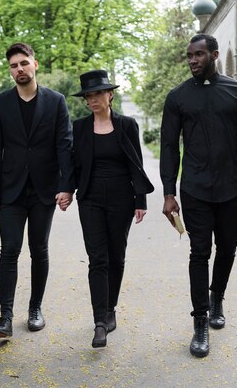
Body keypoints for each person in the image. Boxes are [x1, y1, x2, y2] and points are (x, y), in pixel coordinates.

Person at [160, 34, 237, 358]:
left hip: (230, 187)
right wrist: (168, 192)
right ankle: (200, 322)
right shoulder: (177, 97)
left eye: (199, 55)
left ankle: (217, 294)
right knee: (199, 252)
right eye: (189, 56)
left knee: (228, 249)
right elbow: (168, 147)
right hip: (194, 188)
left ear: (215, 55)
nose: (192, 60)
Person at [0, 42, 75, 338]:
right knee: (9, 250)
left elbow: (64, 145)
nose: (19, 69)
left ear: (35, 64)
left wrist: (66, 186)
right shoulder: (0, 103)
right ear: (10, 70)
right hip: (10, 191)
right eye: (13, 65)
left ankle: (35, 309)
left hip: (43, 190)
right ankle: (5, 318)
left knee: (39, 249)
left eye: (24, 63)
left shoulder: (56, 101)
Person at [72, 70, 154, 348]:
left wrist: (140, 200)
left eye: (98, 94)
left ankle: (110, 309)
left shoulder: (127, 125)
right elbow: (74, 165)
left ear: (110, 95)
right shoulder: (80, 127)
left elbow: (136, 163)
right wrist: (65, 190)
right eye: (88, 96)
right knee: (97, 258)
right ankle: (98, 321)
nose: (93, 100)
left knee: (116, 256)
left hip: (121, 197)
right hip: (90, 198)